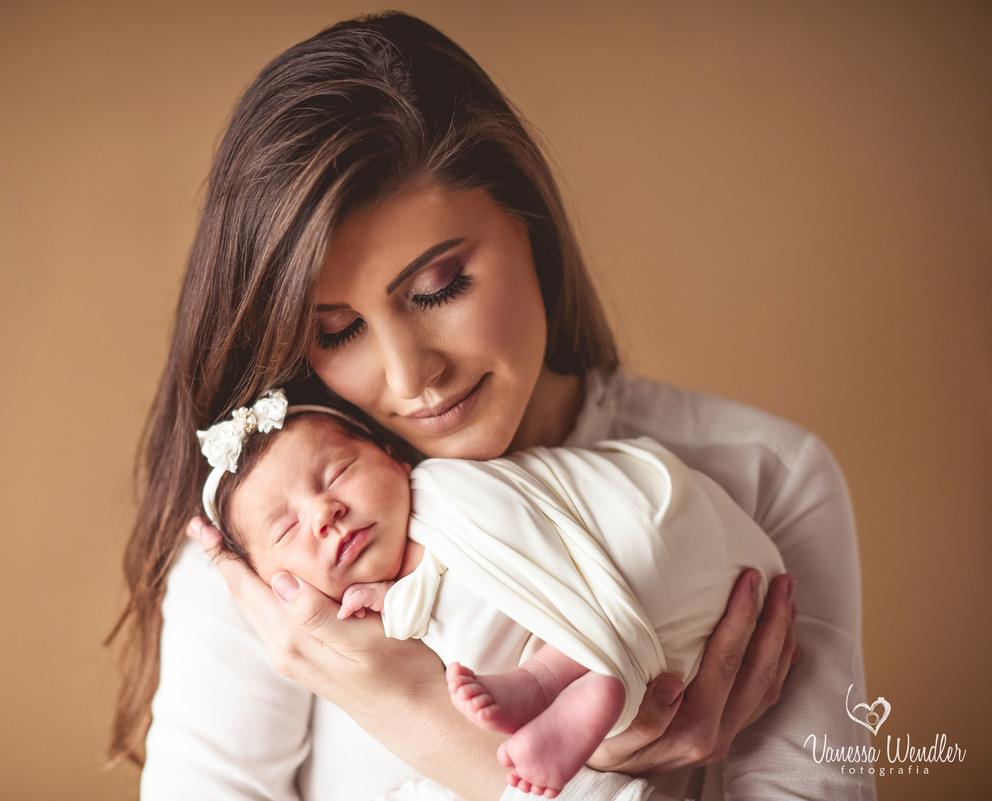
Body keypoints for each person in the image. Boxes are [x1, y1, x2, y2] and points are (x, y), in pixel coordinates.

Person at [109, 11, 875, 801]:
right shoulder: (284, 551)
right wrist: (414, 703)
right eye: (336, 331)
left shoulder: (762, 475)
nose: (411, 376)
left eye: (438, 287)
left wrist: (422, 712)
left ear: (529, 225)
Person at [195, 390, 786, 798]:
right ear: (270, 586)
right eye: (287, 530)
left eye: (337, 474)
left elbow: (463, 578)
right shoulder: (242, 618)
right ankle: (575, 676)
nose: (324, 512)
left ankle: (560, 678)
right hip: (671, 643)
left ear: (394, 458)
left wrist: (393, 607)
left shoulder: (443, 496)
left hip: (658, 546)